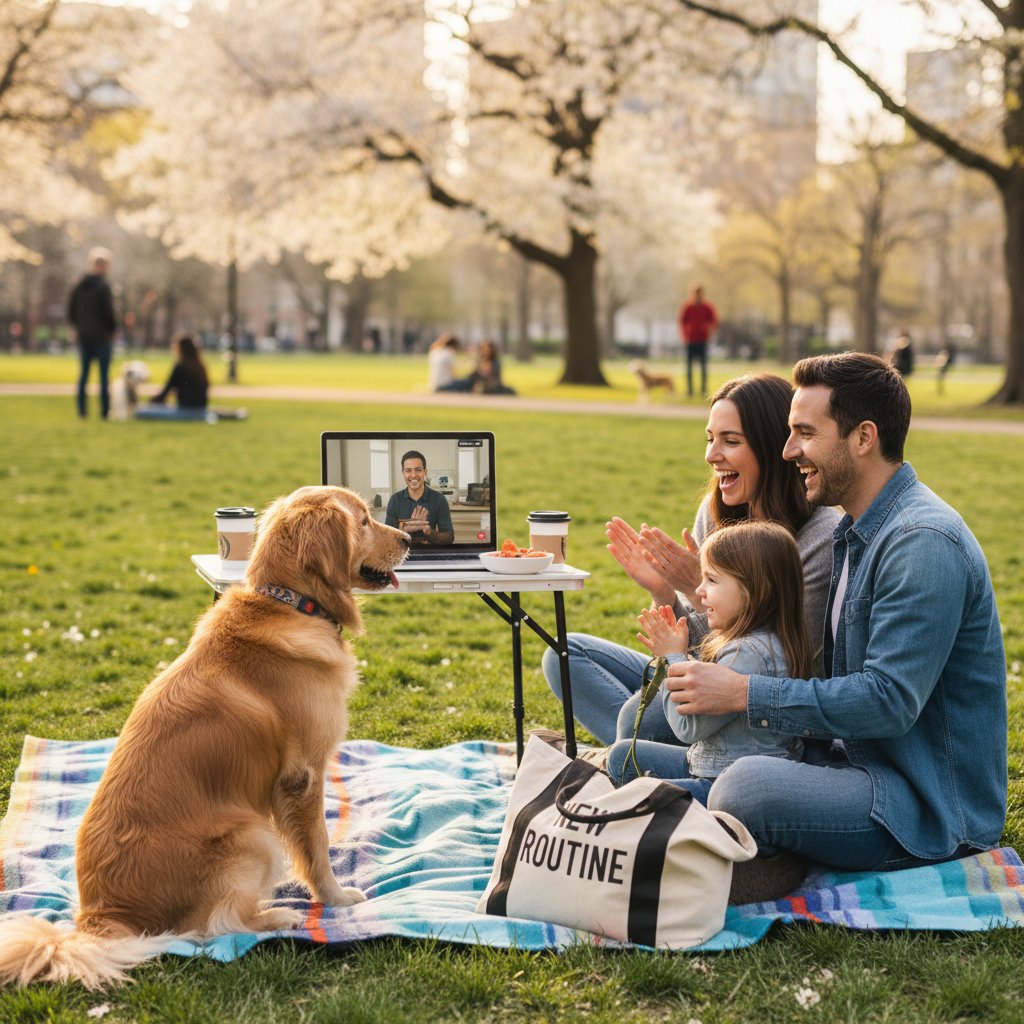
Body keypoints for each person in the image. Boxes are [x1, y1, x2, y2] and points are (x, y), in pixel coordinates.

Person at [666, 352, 1006, 877]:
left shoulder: (921, 542)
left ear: (863, 437)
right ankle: (734, 835)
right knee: (632, 752)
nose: (788, 450)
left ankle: (758, 855)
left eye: (805, 432)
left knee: (744, 786)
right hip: (840, 760)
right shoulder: (857, 530)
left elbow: (888, 701)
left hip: (922, 803)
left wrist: (741, 693)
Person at [541, 373, 841, 746]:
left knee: (642, 722)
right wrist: (664, 593)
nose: (711, 455)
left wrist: (693, 587)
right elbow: (695, 645)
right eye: (711, 439)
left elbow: (773, 660)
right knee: (564, 655)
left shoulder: (820, 536)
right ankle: (645, 753)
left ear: (771, 447)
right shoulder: (716, 512)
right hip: (697, 675)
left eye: (730, 441)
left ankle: (644, 754)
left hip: (757, 714)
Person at [604, 521, 811, 806]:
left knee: (635, 795)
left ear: (753, 590)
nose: (699, 591)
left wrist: (671, 660)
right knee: (622, 755)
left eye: (711, 580)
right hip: (709, 764)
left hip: (721, 786)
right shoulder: (766, 640)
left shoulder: (746, 654)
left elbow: (688, 729)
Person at [68, 247, 117, 420]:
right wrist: (112, 330)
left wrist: (78, 327)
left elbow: (71, 311)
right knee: (103, 376)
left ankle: (82, 411)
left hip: (84, 335)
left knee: (84, 375)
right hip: (101, 337)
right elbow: (108, 313)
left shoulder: (78, 285)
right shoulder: (103, 287)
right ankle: (104, 411)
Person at [385, 450, 455, 545]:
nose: (413, 475)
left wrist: (429, 532)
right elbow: (386, 540)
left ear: (425, 472)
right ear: (403, 473)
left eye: (418, 469)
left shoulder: (439, 499)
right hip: (403, 557)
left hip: (430, 555)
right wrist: (404, 531)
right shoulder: (394, 500)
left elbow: (449, 538)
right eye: (408, 470)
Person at [136, 334, 211, 421]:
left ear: (180, 349)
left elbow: (166, 392)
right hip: (201, 410)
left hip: (185, 411)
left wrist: (150, 401)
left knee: (140, 412)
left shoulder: (180, 367)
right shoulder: (201, 367)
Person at [678, 283, 719, 398]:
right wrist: (684, 335)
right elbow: (682, 322)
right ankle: (690, 391)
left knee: (703, 367)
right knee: (689, 368)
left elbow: (715, 321)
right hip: (690, 341)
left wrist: (708, 327)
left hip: (703, 341)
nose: (697, 296)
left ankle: (703, 390)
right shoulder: (687, 307)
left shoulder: (707, 307)